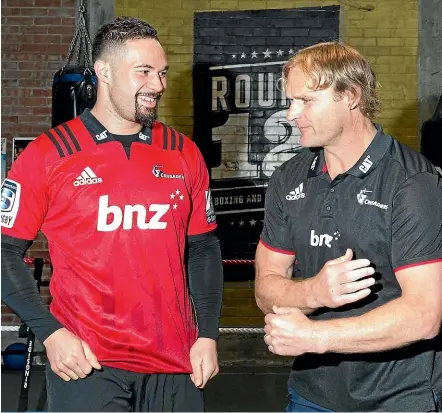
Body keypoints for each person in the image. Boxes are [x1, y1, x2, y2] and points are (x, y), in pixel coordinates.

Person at [1, 16, 223, 412]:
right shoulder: (48, 154)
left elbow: (204, 249)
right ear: (103, 72)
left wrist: (207, 334)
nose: (157, 85)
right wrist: (50, 334)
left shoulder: (183, 152)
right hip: (88, 362)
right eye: (143, 72)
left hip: (176, 361)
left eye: (161, 73)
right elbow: (4, 252)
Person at [255, 42, 442, 412]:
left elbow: (424, 314)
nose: (292, 114)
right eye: (290, 100)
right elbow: (266, 288)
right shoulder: (287, 177)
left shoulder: (412, 182)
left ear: (351, 96)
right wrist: (313, 293)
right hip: (312, 395)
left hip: (399, 399)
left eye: (306, 101)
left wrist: (314, 336)